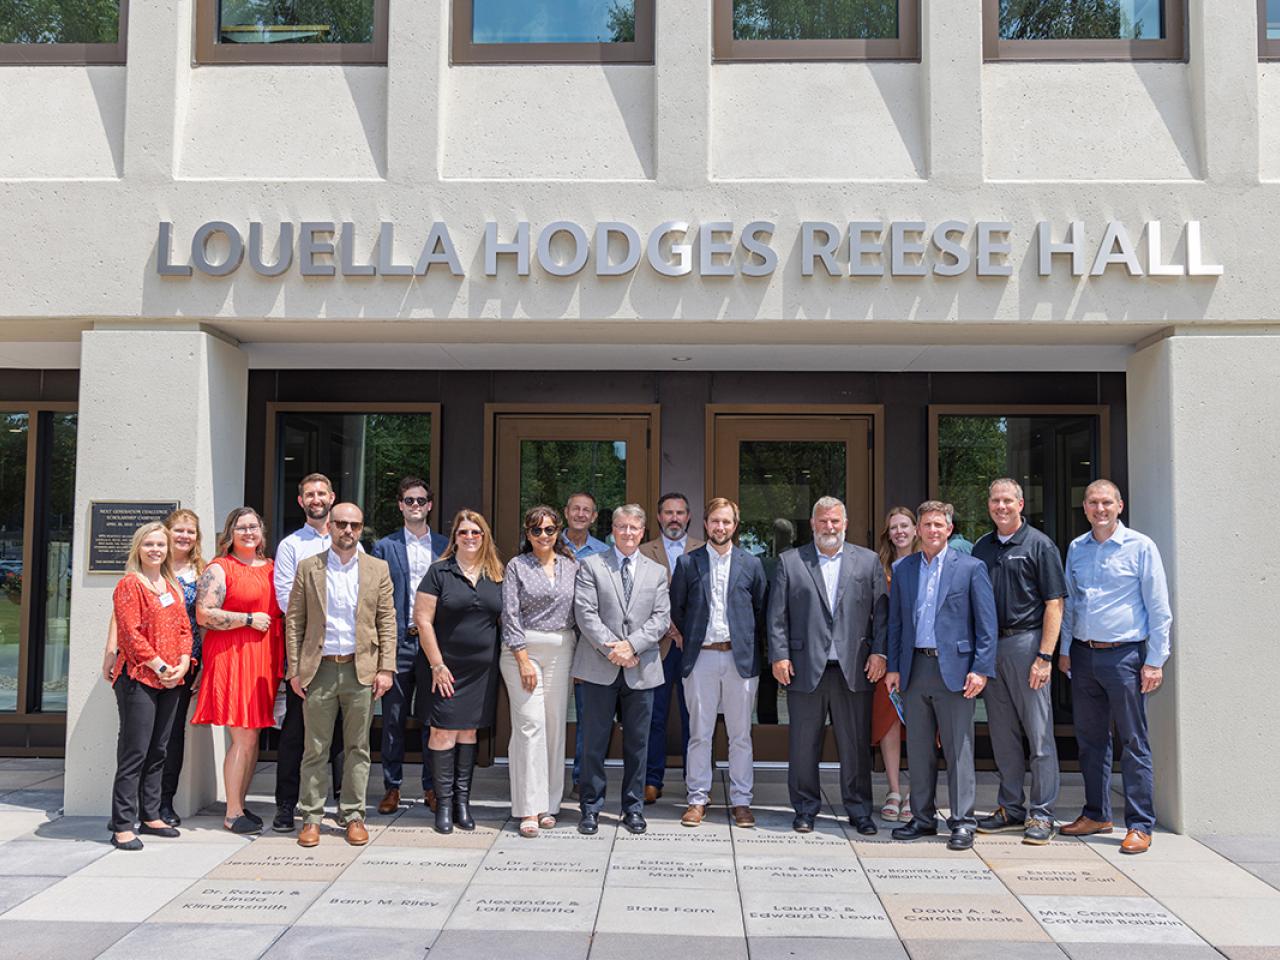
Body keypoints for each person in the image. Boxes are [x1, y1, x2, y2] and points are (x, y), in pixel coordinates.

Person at [1059, 479, 1171, 855]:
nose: (1099, 509)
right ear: (1085, 507)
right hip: (1084, 654)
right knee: (1090, 741)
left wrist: (1155, 661)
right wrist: (1065, 650)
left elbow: (1158, 609)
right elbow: (1071, 604)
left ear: (1120, 506)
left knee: (1133, 741)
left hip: (1125, 656)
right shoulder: (1077, 547)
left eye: (1106, 502)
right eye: (1093, 503)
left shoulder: (1140, 547)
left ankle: (1140, 824)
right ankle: (1096, 814)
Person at [767, 496, 888, 835]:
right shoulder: (791, 562)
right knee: (804, 744)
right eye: (823, 521)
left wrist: (880, 653)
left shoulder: (868, 561)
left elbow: (882, 614)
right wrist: (779, 655)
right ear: (813, 523)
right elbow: (777, 616)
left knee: (855, 745)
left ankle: (860, 810)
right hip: (805, 667)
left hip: (855, 669)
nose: (829, 527)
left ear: (845, 524)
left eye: (835, 521)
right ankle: (805, 809)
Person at [886, 500, 997, 851]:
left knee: (958, 748)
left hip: (955, 671)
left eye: (939, 525)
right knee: (918, 748)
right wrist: (893, 667)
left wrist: (981, 669)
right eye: (927, 525)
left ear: (949, 529)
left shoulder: (970, 568)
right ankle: (921, 817)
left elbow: (986, 625)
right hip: (915, 668)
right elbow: (897, 623)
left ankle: (963, 821)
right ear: (918, 530)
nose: (932, 530)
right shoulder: (903, 569)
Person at [285, 503, 397, 847]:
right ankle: (312, 818)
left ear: (362, 529)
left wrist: (386, 668)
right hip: (318, 670)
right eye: (341, 524)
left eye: (355, 525)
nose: (348, 530)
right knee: (315, 748)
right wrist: (294, 670)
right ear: (330, 526)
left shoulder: (377, 568)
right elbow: (294, 621)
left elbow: (387, 621)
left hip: (360, 670)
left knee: (358, 748)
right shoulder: (309, 567)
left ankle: (353, 815)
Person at [973, 479, 1067, 845]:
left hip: (1027, 646)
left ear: (1021, 503)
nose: (1001, 506)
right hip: (990, 649)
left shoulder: (1039, 545)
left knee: (1039, 735)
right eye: (995, 500)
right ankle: (1011, 808)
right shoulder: (982, 547)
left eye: (1007, 500)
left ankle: (1042, 814)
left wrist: (1045, 656)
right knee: (1003, 735)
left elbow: (1054, 604)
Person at [102, 508, 206, 827]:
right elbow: (129, 631)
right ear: (139, 548)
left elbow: (186, 630)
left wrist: (184, 662)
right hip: (141, 675)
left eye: (160, 545)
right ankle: (122, 823)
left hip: (175, 675)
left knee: (160, 748)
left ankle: (152, 814)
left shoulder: (172, 584)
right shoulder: (130, 585)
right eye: (150, 545)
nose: (157, 550)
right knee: (136, 751)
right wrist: (160, 665)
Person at [573, 503, 670, 836]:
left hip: (641, 670)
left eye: (634, 528)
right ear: (612, 530)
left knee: (638, 746)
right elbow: (585, 614)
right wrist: (615, 649)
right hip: (599, 668)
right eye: (622, 527)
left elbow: (661, 619)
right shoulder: (590, 565)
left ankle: (633, 808)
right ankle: (590, 808)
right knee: (593, 744)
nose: (628, 533)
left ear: (643, 532)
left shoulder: (656, 571)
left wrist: (633, 647)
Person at [670, 497, 767, 828]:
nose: (720, 527)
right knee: (700, 733)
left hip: (740, 660)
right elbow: (677, 609)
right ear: (705, 524)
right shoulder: (688, 563)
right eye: (715, 521)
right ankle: (697, 799)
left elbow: (759, 611)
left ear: (735, 525)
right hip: (701, 659)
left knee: (741, 735)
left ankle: (742, 801)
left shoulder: (752, 565)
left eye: (726, 521)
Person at [193, 507, 283, 834]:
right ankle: (232, 813)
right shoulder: (220, 568)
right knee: (242, 736)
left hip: (264, 657)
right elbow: (204, 613)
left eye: (253, 527)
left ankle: (240, 804)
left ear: (262, 532)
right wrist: (246, 619)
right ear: (230, 533)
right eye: (241, 527)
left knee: (253, 735)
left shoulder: (272, 568)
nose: (248, 532)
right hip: (233, 655)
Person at [415, 510, 505, 834]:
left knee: (468, 732)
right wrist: (437, 664)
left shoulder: (497, 573)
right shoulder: (439, 572)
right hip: (445, 667)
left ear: (485, 537)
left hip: (482, 671)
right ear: (455, 537)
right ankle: (443, 804)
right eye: (463, 532)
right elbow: (422, 620)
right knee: (442, 732)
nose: (469, 537)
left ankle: (462, 803)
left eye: (476, 532)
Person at [272, 473, 345, 833]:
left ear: (332, 497)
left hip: (345, 651)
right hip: (306, 651)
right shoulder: (290, 546)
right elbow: (287, 601)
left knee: (342, 731)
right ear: (301, 501)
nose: (316, 499)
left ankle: (343, 805)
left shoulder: (351, 542)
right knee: (297, 731)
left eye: (322, 493)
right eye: (309, 494)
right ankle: (287, 805)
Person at [372, 477, 449, 816]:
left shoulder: (446, 546)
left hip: (433, 644)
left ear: (430, 505)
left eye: (421, 500)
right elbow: (375, 598)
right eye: (409, 500)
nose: (415, 505)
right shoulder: (384, 547)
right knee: (393, 719)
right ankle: (392, 787)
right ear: (400, 505)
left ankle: (432, 787)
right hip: (398, 643)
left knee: (434, 718)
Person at [500, 506, 579, 836]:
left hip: (562, 649)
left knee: (553, 726)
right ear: (527, 534)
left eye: (549, 530)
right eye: (536, 531)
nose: (543, 536)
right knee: (530, 726)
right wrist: (521, 659)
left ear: (558, 531)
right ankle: (528, 809)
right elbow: (510, 615)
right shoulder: (517, 566)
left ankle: (549, 804)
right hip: (523, 650)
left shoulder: (572, 567)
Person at [638, 492, 703, 804]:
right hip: (657, 646)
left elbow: (708, 600)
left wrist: (685, 630)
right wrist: (670, 627)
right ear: (659, 517)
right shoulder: (643, 551)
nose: (674, 518)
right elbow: (640, 600)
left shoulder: (704, 550)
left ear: (688, 517)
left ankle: (697, 783)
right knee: (655, 716)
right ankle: (652, 780)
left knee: (697, 718)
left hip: (695, 647)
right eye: (668, 513)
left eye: (680, 512)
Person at [561, 491, 609, 799]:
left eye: (587, 510)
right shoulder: (547, 544)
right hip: (553, 638)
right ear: (566, 512)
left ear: (593, 517)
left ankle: (581, 778)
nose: (580, 514)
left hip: (589, 643)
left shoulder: (605, 553)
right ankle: (545, 779)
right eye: (575, 508)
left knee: (585, 715)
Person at [872, 506, 918, 824]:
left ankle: (917, 792)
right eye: (893, 527)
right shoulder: (879, 568)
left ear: (916, 529)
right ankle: (893, 790)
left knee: (919, 724)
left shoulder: (928, 562)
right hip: (887, 658)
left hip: (920, 657)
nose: (899, 531)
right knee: (889, 723)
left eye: (904, 525)